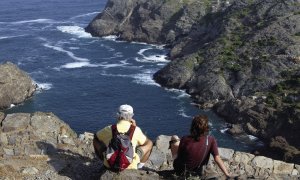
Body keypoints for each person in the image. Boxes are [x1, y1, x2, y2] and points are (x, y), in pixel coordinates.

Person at [93, 104, 153, 170]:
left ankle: (105, 161)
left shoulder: (109, 128)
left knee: (96, 140)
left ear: (118, 115)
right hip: (130, 165)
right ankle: (139, 166)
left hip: (110, 164)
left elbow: (96, 136)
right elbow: (145, 142)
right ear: (131, 116)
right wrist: (134, 127)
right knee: (149, 143)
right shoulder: (136, 130)